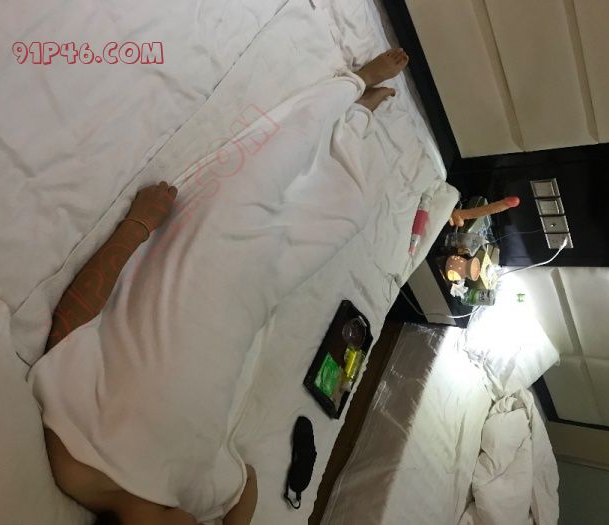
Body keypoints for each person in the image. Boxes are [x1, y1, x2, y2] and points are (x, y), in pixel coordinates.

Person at [39, 49, 409, 525]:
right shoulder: (193, 494)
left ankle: (351, 84)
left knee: (279, 152)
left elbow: (70, 327)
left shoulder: (79, 464)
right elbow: (245, 487)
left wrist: (138, 223)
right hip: (257, 291)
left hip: (203, 250)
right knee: (349, 210)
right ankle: (356, 119)